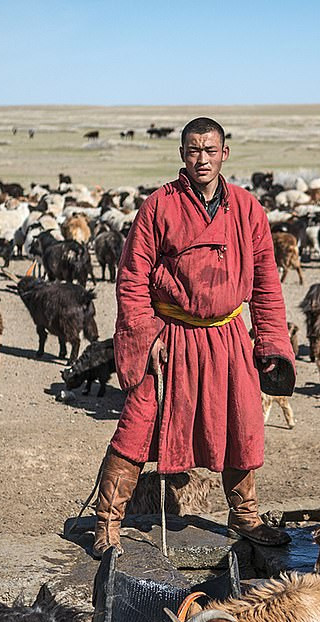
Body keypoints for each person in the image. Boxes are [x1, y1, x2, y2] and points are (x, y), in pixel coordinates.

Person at [91, 117, 296, 558]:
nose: (201, 158)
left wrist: (272, 344)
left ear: (225, 153)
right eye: (192, 150)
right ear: (182, 154)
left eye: (209, 149)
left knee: (241, 423)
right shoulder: (158, 206)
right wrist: (147, 335)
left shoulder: (247, 209)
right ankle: (106, 523)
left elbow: (265, 283)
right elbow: (132, 279)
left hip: (227, 336)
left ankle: (245, 516)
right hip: (171, 337)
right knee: (138, 425)